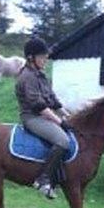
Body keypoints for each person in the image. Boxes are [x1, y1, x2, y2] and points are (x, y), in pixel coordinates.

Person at [15, 37, 71, 199]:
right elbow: (39, 106)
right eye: (42, 56)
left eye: (45, 56)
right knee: (62, 141)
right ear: (31, 58)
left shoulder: (40, 74)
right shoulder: (27, 77)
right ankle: (42, 179)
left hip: (44, 116)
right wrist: (60, 122)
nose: (45, 59)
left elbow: (52, 99)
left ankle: (57, 178)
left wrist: (66, 115)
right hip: (32, 118)